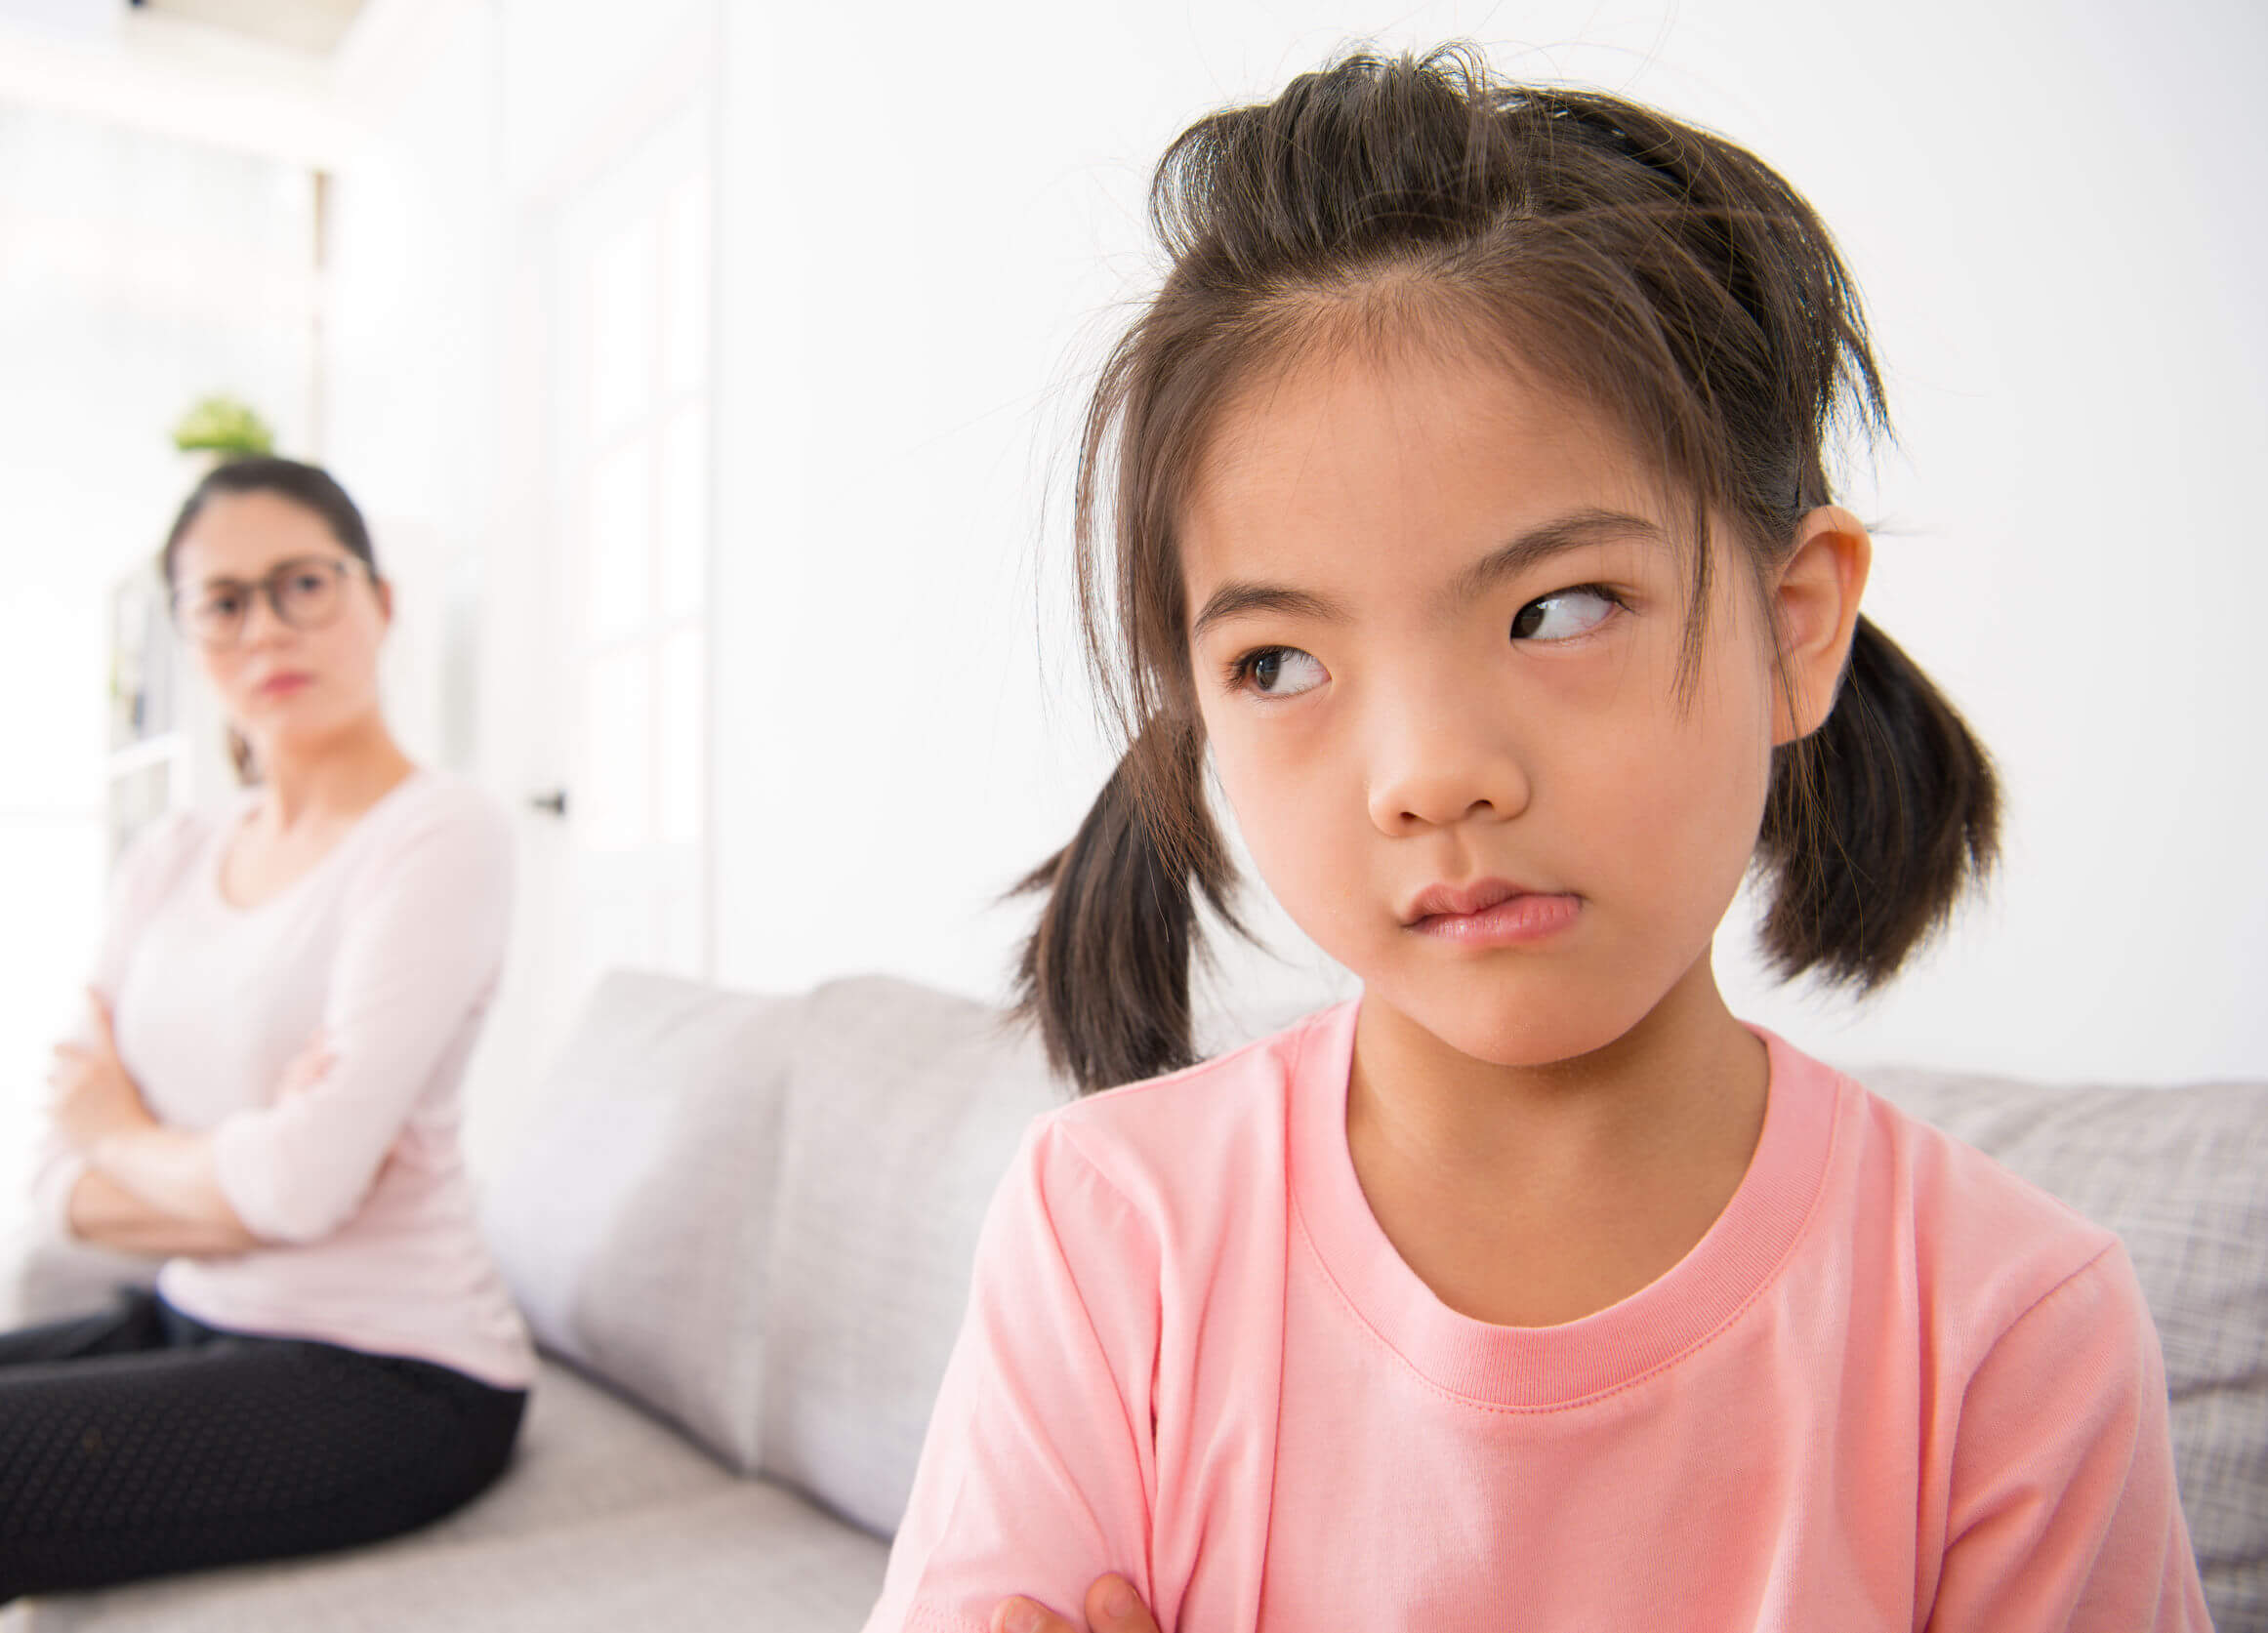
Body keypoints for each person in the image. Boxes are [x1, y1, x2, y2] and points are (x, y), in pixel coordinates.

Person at [864, 47, 2212, 1633]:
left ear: (1795, 626)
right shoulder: (1110, 1235)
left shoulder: (2004, 1325)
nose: (1429, 775)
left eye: (1555, 609)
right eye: (1278, 662)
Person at [0, 458, 533, 1630]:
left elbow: (284, 1183)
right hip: (195, 1313)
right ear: (188, 633)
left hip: (396, 1373)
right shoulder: (168, 857)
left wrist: (130, 1132)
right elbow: (59, 1181)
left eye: (303, 582)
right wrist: (246, 1175)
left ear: (380, 600)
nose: (265, 628)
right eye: (223, 600)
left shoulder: (440, 833)